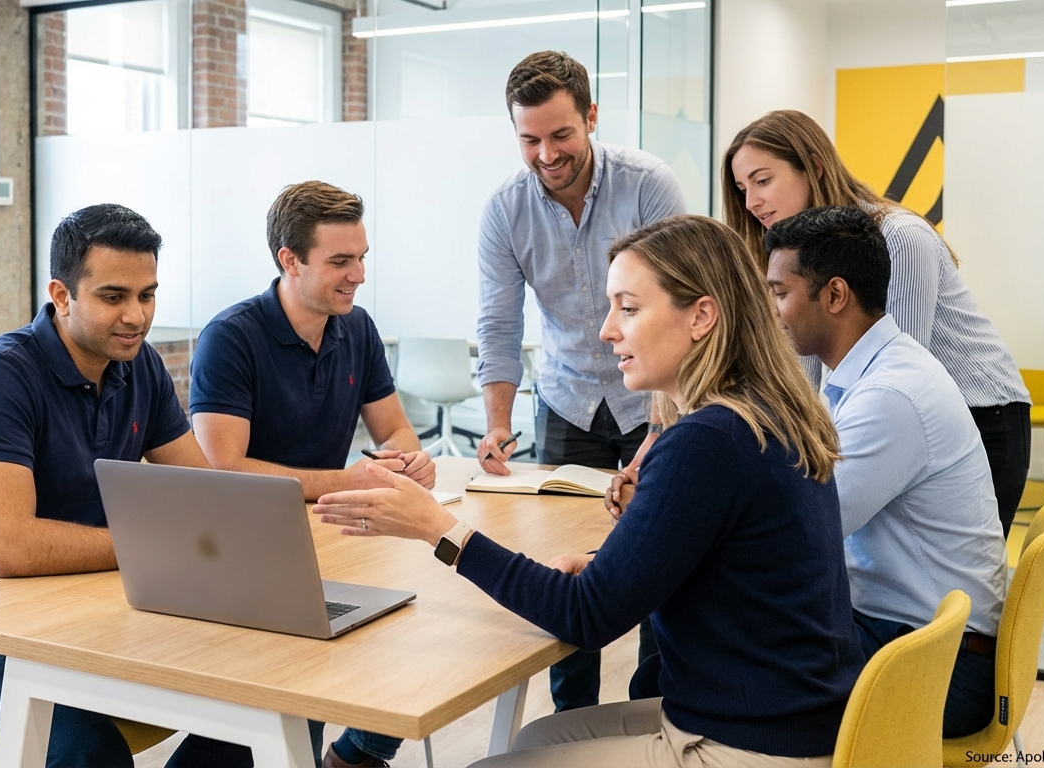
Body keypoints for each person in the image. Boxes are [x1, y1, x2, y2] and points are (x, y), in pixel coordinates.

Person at [314, 215, 865, 767]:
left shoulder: (708, 441)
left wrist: (437, 527)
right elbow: (722, 553)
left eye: (628, 307)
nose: (607, 330)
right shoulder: (757, 417)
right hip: (786, 717)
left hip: (752, 743)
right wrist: (609, 562)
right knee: (534, 741)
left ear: (701, 316)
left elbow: (585, 618)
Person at [0, 203, 212, 768]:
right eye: (114, 297)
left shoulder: (139, 366)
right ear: (63, 295)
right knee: (87, 754)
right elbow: (12, 548)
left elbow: (203, 498)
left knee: (281, 696)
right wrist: (160, 545)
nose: (137, 317)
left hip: (82, 619)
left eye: (147, 295)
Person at [187, 180, 431, 768]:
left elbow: (393, 430)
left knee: (419, 639)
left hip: (333, 537)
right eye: (341, 261)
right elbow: (224, 469)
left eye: (363, 257)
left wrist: (407, 458)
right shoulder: (232, 337)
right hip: (245, 548)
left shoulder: (358, 327)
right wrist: (345, 482)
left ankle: (353, 758)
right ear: (289, 260)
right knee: (295, 697)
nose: (359, 274)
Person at [473, 48, 687, 713]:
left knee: (662, 553)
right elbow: (498, 322)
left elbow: (679, 311)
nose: (546, 153)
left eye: (560, 134)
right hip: (567, 398)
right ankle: (576, 720)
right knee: (565, 561)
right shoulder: (505, 210)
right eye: (529, 139)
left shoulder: (648, 184)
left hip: (651, 395)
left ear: (591, 117)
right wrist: (498, 423)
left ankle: (654, 706)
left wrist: (658, 433)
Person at [723, 109, 1031, 535]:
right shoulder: (799, 255)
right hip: (891, 414)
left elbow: (900, 370)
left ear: (813, 167)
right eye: (742, 189)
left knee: (936, 570)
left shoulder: (898, 237)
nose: (751, 202)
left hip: (981, 412)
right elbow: (809, 359)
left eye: (762, 180)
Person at [765, 205, 1007, 738]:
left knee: (711, 657)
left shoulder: (889, 396)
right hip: (915, 637)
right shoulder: (870, 373)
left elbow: (799, 531)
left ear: (834, 295)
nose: (771, 312)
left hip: (939, 669)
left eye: (780, 293)